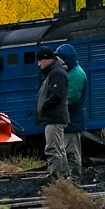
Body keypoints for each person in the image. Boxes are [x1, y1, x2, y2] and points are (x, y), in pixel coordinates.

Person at [35, 46, 70, 179]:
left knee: (53, 148)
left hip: (54, 117)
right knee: (59, 148)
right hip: (54, 117)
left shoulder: (57, 73)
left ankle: (56, 177)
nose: (39, 64)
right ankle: (63, 176)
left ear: (48, 59)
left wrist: (44, 106)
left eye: (40, 61)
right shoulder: (53, 72)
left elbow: (55, 95)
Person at [56, 44, 88, 182]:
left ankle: (74, 178)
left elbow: (72, 98)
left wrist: (55, 108)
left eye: (61, 57)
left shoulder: (76, 74)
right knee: (67, 150)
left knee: (71, 151)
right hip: (68, 118)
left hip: (72, 119)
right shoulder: (71, 72)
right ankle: (68, 177)